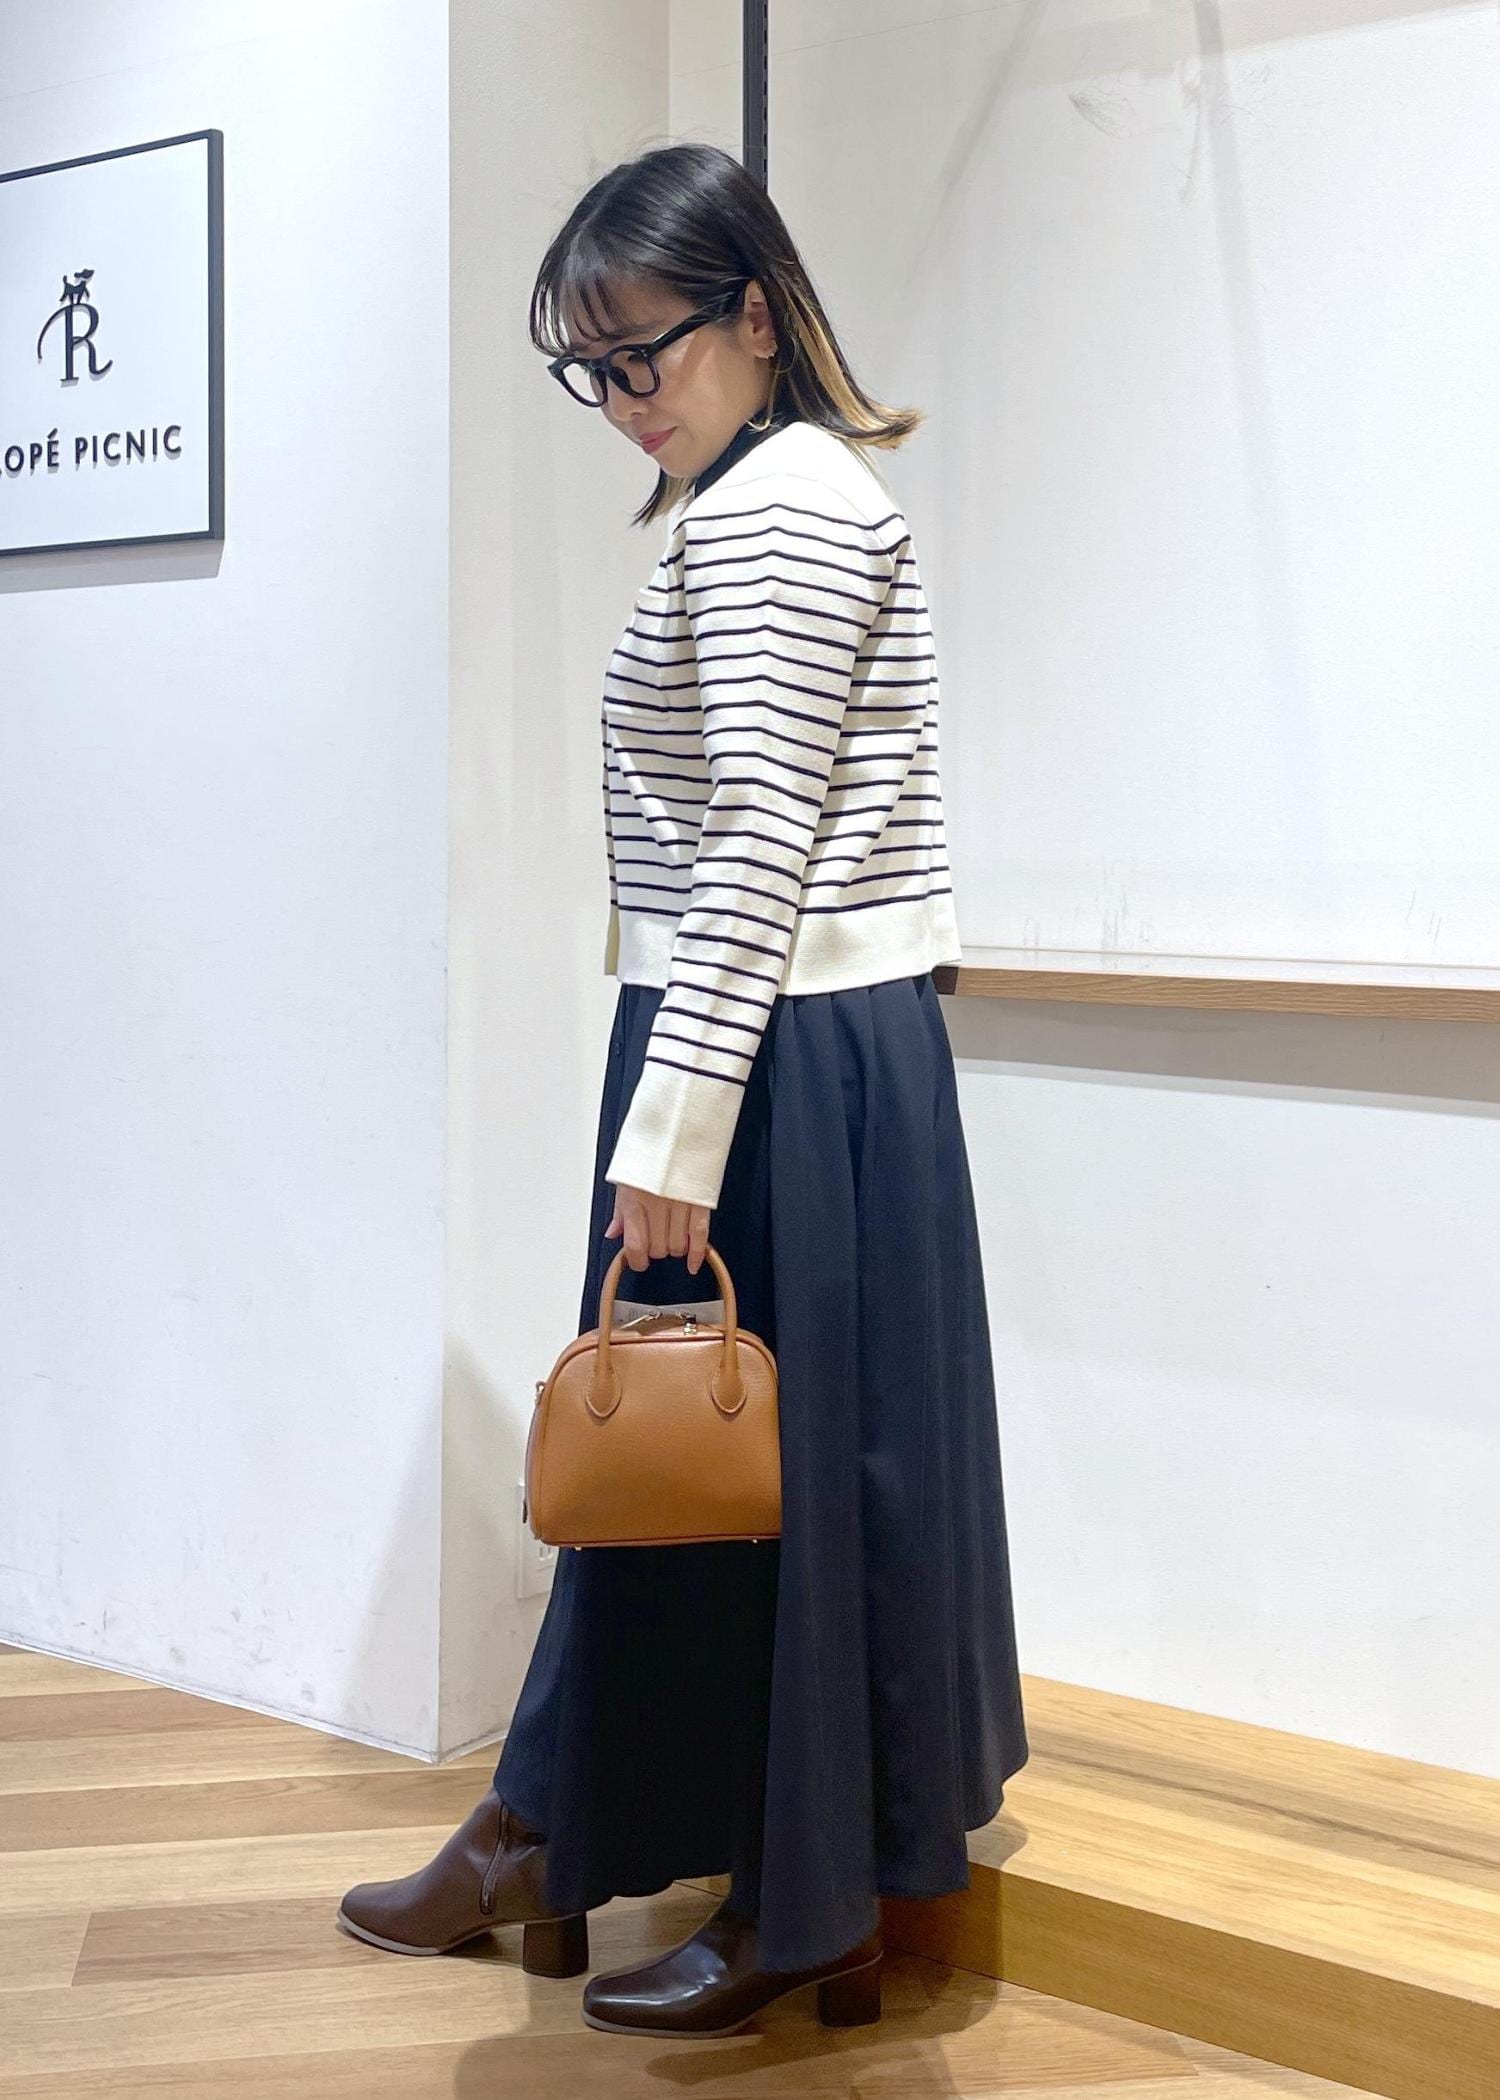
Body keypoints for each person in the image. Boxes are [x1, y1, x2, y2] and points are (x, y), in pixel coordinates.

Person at [337, 139, 1028, 2042]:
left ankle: (782, 1894)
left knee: (727, 1476)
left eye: (642, 352)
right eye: (592, 368)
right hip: (772, 1044)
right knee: (704, 1474)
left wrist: (677, 1125)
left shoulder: (782, 511)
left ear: (753, 315)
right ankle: (576, 1829)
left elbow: (758, 839)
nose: (621, 397)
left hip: (769, 1046)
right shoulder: (748, 498)